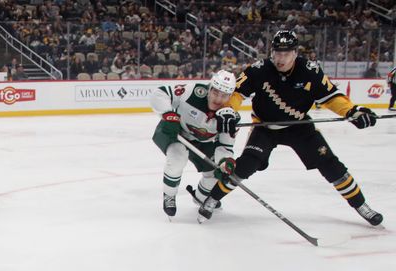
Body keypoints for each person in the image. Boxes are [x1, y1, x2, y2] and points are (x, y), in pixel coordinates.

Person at [199, 30, 382, 226]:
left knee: (331, 165)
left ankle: (361, 205)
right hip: (264, 126)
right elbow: (237, 93)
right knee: (245, 165)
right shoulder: (260, 69)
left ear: (295, 53)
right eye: (277, 53)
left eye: (286, 54)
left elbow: (331, 96)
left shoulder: (310, 71)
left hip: (299, 127)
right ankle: (212, 198)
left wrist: (352, 112)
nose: (281, 58)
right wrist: (228, 110)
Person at [150, 70, 238, 218]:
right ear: (209, 89)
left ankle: (200, 197)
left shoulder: (230, 117)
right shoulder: (192, 91)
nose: (218, 99)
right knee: (177, 157)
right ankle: (169, 195)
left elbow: (225, 147)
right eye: (215, 92)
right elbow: (160, 93)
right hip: (177, 133)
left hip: (205, 143)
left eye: (224, 95)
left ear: (230, 97)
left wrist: (225, 162)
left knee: (216, 174)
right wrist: (168, 114)